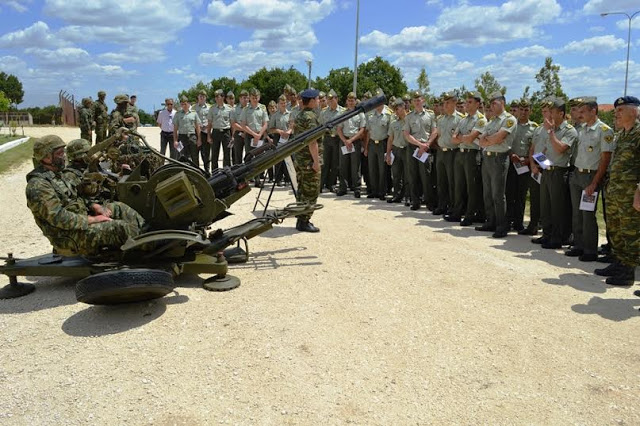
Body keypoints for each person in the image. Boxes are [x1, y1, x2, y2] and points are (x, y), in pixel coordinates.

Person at [26, 135, 144, 257]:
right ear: (46, 157)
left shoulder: (57, 175)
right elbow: (58, 217)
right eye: (60, 153)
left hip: (79, 223)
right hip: (68, 237)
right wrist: (92, 220)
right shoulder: (38, 186)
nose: (64, 156)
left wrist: (94, 206)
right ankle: (155, 247)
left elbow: (76, 198)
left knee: (119, 208)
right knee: (120, 228)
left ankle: (148, 232)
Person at [594, 96, 640, 287]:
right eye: (616, 111)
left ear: (634, 111)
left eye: (621, 110)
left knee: (631, 233)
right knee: (616, 230)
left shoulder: (638, 134)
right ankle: (619, 263)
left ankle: (628, 272)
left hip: (630, 194)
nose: (616, 114)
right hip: (615, 192)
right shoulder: (621, 134)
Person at [566, 97, 614, 262]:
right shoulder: (582, 129)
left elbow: (605, 159)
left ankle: (590, 249)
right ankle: (578, 245)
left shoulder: (604, 130)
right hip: (577, 174)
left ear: (593, 110)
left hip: (590, 176)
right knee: (577, 213)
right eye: (578, 112)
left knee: (588, 214)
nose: (580, 115)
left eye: (583, 111)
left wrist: (594, 182)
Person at [535, 97, 577, 249]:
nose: (549, 115)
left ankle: (557, 238)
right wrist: (543, 165)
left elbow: (561, 149)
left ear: (561, 113)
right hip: (547, 171)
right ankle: (547, 235)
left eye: (552, 112)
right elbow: (543, 150)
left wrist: (551, 132)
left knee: (557, 207)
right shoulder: (548, 129)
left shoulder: (569, 130)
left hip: (560, 172)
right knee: (545, 206)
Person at [475, 91, 516, 238]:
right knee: (487, 193)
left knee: (498, 194)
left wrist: (489, 139)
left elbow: (499, 138)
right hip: (488, 157)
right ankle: (490, 222)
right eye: (490, 103)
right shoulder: (491, 121)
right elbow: (481, 140)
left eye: (494, 103)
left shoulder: (509, 120)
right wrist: (489, 140)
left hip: (499, 158)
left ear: (502, 103)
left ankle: (501, 225)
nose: (491, 106)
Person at [451, 91, 486, 225]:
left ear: (477, 104)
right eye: (466, 101)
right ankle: (457, 212)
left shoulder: (481, 120)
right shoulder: (463, 120)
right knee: (459, 184)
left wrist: (462, 138)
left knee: (472, 187)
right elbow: (453, 139)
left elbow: (471, 138)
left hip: (472, 154)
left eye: (470, 102)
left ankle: (470, 215)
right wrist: (464, 138)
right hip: (461, 153)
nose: (467, 104)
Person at [429, 92, 463, 218]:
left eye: (448, 102)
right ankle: (442, 206)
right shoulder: (440, 119)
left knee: (453, 182)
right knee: (441, 181)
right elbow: (437, 134)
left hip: (453, 153)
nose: (445, 105)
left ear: (455, 102)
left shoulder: (460, 119)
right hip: (440, 152)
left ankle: (454, 208)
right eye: (444, 102)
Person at [505, 98, 538, 232]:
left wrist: (529, 161)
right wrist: (511, 154)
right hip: (511, 162)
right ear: (517, 110)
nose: (523, 112)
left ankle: (518, 222)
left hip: (525, 164)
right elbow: (504, 142)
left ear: (530, 110)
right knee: (509, 193)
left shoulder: (534, 127)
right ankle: (507, 221)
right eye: (521, 109)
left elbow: (535, 147)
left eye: (526, 109)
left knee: (521, 194)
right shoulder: (510, 124)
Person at [293, 89, 322, 233]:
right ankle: (304, 220)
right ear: (310, 101)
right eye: (317, 99)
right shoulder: (310, 117)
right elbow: (312, 142)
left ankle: (301, 219)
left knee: (302, 189)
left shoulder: (299, 116)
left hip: (300, 159)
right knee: (311, 190)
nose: (318, 101)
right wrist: (316, 162)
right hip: (308, 161)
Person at [403, 90, 436, 210]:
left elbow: (434, 131)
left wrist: (427, 144)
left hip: (426, 148)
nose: (417, 102)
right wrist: (419, 144)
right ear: (412, 102)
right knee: (413, 175)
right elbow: (406, 134)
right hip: (413, 147)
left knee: (426, 176)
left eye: (419, 100)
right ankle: (415, 201)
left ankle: (429, 202)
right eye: (415, 100)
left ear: (423, 100)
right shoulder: (409, 116)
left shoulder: (430, 115)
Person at [337, 92, 366, 198]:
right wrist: (345, 140)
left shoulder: (360, 114)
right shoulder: (343, 114)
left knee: (355, 167)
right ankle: (343, 188)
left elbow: (362, 130)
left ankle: (356, 189)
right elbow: (339, 128)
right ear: (346, 101)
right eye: (349, 100)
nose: (350, 102)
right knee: (343, 166)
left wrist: (351, 140)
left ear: (355, 101)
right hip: (344, 141)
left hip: (355, 141)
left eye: (352, 100)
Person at [240, 88, 269, 187]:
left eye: (256, 97)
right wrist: (253, 134)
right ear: (250, 98)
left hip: (259, 135)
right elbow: (243, 124)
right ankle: (248, 178)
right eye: (253, 97)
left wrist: (259, 134)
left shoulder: (262, 109)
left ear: (259, 97)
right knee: (249, 157)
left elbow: (265, 123)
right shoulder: (246, 109)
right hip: (249, 135)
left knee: (259, 158)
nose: (255, 99)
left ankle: (258, 179)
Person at [366, 97, 391, 200]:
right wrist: (366, 147)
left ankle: (382, 192)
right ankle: (373, 190)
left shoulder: (388, 115)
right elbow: (368, 132)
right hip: (372, 143)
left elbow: (390, 134)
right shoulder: (370, 114)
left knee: (382, 169)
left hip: (383, 143)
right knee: (372, 168)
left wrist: (389, 150)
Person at [319, 89, 344, 192]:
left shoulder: (342, 111)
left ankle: (331, 184)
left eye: (332, 99)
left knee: (335, 164)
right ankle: (321, 184)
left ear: (336, 99)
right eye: (328, 99)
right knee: (325, 163)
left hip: (338, 139)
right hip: (327, 138)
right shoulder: (324, 112)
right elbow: (320, 126)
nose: (330, 101)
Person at [386, 98, 410, 203]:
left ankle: (408, 197)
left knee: (408, 175)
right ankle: (397, 195)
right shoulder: (393, 123)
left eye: (398, 108)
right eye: (395, 108)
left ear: (403, 107)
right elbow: (390, 139)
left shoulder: (410, 121)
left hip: (407, 150)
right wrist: (388, 153)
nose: (396, 110)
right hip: (396, 150)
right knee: (396, 175)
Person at [207, 89, 233, 170]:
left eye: (219, 97)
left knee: (227, 154)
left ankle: (227, 173)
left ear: (223, 97)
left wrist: (232, 136)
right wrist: (208, 136)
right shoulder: (212, 109)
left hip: (226, 133)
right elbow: (210, 123)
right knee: (214, 154)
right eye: (216, 97)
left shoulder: (229, 109)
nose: (217, 99)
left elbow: (232, 124)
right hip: (216, 132)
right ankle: (215, 174)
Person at [173, 96, 201, 165]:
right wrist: (175, 141)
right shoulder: (178, 114)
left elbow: (198, 127)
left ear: (188, 104)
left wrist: (199, 139)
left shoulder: (194, 113)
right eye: (182, 104)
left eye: (185, 104)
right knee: (181, 156)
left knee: (195, 156)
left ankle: (196, 172)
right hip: (181, 138)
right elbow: (175, 129)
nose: (184, 106)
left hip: (192, 137)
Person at [193, 90, 211, 172]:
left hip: (206, 132)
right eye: (200, 96)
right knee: (195, 153)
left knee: (206, 154)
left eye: (203, 96)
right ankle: (197, 171)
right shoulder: (193, 108)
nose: (202, 97)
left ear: (206, 97)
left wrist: (207, 126)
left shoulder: (210, 107)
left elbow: (212, 119)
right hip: (195, 132)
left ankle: (207, 171)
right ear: (198, 97)